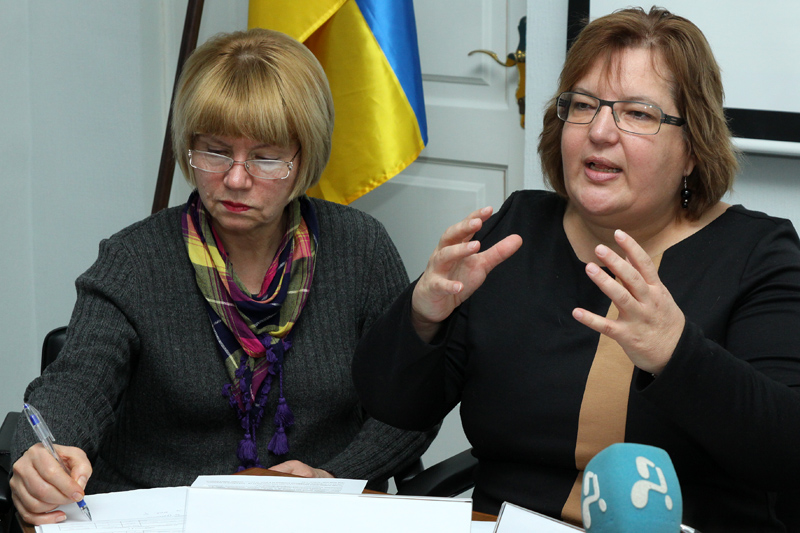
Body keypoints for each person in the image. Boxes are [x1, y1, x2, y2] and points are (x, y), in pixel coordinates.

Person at [352, 6, 800, 531]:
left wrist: (677, 354)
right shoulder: (515, 230)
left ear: (692, 149)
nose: (600, 131)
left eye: (638, 114)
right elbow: (395, 406)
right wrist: (423, 316)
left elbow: (786, 452)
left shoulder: (756, 253)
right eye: (583, 105)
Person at [10, 28, 435, 526]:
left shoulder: (360, 249)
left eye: (265, 157)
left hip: (314, 519)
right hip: (160, 517)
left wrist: (335, 478)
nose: (235, 178)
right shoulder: (134, 259)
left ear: (304, 157)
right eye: (215, 151)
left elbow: (412, 401)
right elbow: (76, 383)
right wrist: (42, 455)